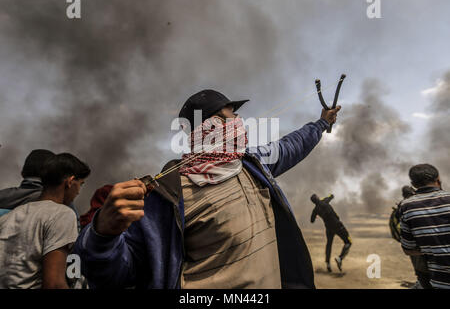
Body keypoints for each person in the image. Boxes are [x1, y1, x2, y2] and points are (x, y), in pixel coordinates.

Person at [74, 89, 341, 289]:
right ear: (211, 125)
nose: (239, 121)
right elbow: (120, 273)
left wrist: (321, 123)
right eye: (232, 116)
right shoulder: (166, 195)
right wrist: (102, 234)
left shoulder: (253, 165)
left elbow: (291, 145)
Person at [0, 153, 90, 288]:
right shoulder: (62, 214)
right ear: (70, 182)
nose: (78, 192)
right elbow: (54, 284)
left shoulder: (10, 216)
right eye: (80, 185)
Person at [0, 149, 81, 231]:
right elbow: (76, 233)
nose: (78, 192)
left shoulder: (3, 196)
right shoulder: (58, 200)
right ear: (53, 175)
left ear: (22, 173)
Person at [398, 164, 450, 289]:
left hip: (439, 281)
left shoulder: (406, 207)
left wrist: (431, 248)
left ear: (413, 184)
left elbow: (408, 249)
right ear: (438, 179)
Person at [390, 186, 431, 289]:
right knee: (426, 269)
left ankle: (421, 282)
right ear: (413, 193)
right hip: (421, 242)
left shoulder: (401, 206)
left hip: (409, 244)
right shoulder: (414, 205)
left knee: (419, 267)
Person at [310, 194, 351, 272]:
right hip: (338, 226)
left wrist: (316, 215)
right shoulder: (325, 201)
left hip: (329, 228)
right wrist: (329, 196)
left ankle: (328, 263)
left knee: (329, 244)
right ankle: (340, 258)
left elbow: (312, 221)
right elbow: (331, 196)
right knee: (348, 242)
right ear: (318, 197)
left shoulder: (315, 210)